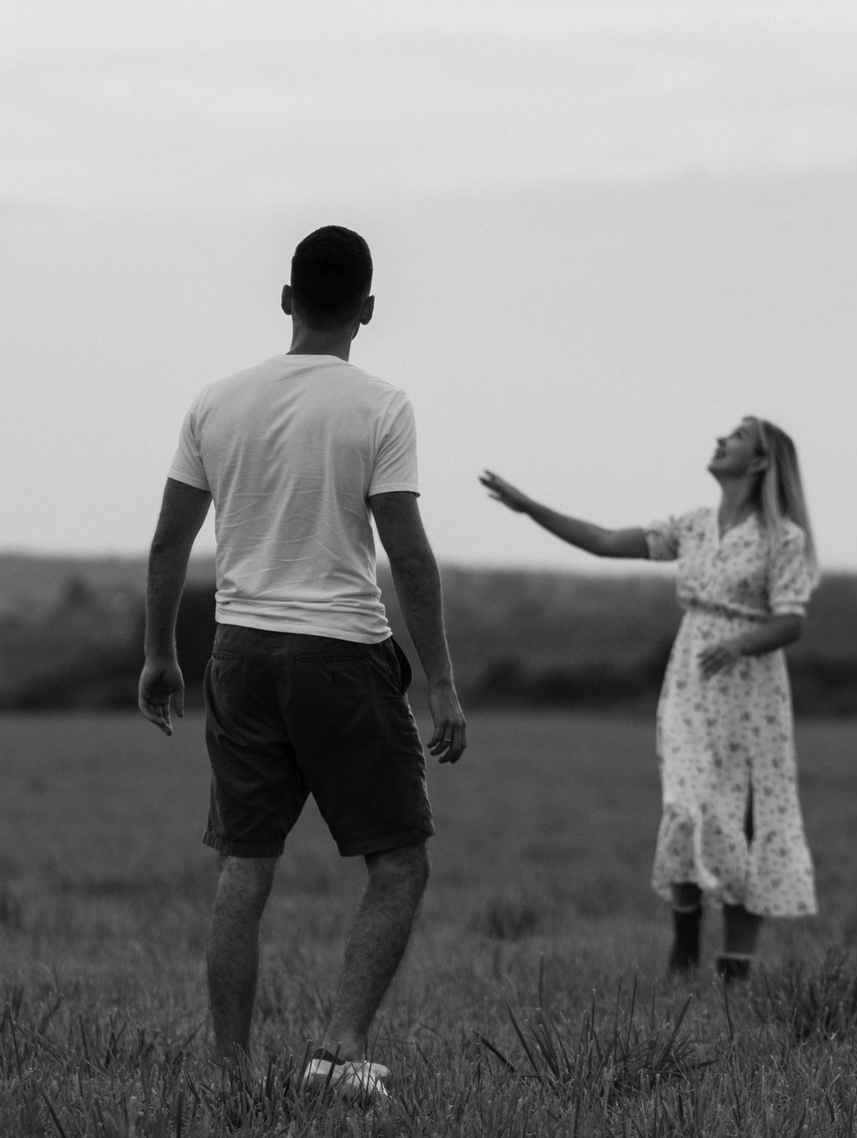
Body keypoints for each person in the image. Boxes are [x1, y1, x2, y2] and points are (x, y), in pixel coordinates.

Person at [139, 225, 468, 1106]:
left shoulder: (216, 402)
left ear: (287, 300)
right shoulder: (381, 406)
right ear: (366, 309)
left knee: (244, 866)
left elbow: (172, 538)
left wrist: (161, 653)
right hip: (339, 655)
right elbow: (409, 553)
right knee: (397, 861)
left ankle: (231, 1077)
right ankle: (337, 1052)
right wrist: (438, 680)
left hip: (238, 654)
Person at [479, 417, 818, 979]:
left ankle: (735, 965)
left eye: (735, 437)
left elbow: (790, 623)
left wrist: (739, 644)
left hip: (751, 695)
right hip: (689, 684)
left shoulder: (783, 538)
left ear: (759, 463)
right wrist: (530, 509)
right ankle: (684, 953)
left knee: (747, 816)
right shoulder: (693, 525)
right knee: (686, 809)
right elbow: (607, 542)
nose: (719, 439)